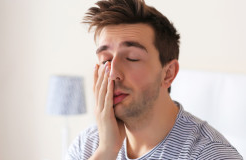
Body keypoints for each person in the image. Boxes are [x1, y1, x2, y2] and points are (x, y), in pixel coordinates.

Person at [66, 0, 242, 159]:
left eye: (132, 58)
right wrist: (106, 150)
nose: (113, 73)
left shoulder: (210, 154)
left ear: (168, 74)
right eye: (106, 60)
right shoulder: (88, 145)